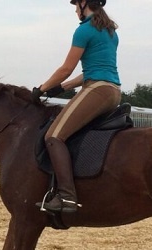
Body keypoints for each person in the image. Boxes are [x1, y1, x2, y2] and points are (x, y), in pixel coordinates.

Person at [34, 0, 121, 213]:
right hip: (113, 90)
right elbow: (89, 70)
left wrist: (41, 89)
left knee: (53, 136)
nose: (74, 9)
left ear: (84, 4)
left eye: (75, 5)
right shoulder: (109, 31)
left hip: (97, 89)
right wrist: (61, 88)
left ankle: (67, 196)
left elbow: (66, 68)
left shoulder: (84, 30)